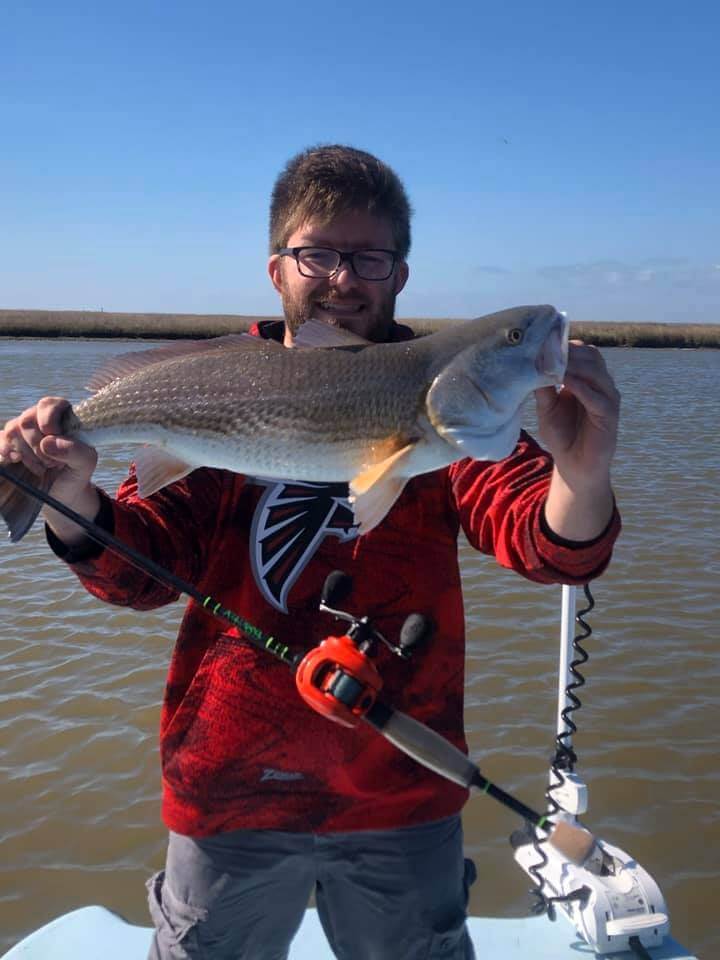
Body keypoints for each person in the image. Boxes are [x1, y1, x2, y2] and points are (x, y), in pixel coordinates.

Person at [0, 145, 621, 960]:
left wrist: (583, 472)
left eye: (369, 257)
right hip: (226, 793)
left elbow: (552, 550)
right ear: (277, 268)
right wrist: (70, 493)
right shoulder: (221, 380)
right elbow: (140, 573)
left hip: (404, 790)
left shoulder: (458, 417)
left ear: (400, 273)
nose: (342, 278)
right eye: (318, 254)